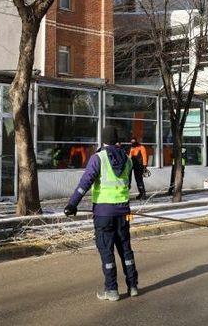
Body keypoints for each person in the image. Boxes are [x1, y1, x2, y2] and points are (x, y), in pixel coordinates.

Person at [64, 126, 140, 301]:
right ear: (116, 139)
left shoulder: (98, 158)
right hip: (124, 213)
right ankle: (133, 285)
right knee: (126, 249)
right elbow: (127, 186)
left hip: (103, 213)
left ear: (103, 140)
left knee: (107, 250)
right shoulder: (127, 160)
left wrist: (72, 204)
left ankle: (111, 290)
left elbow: (85, 182)